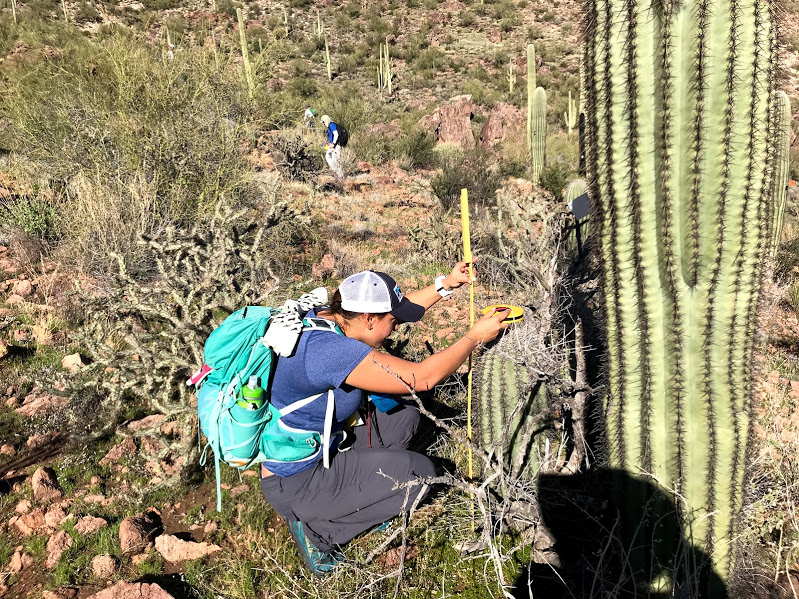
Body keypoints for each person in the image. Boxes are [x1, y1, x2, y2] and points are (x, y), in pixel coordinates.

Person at [260, 263, 510, 576]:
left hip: (319, 449)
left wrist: (446, 284)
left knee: (403, 412)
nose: (394, 328)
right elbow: (424, 377)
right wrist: (474, 337)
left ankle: (363, 485)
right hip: (298, 482)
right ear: (367, 318)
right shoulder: (331, 351)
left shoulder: (327, 316)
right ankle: (319, 534)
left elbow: (396, 312)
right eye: (391, 322)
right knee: (420, 475)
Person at [320, 114, 344, 179]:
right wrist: (327, 145)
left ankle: (340, 177)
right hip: (332, 145)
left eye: (323, 122)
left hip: (336, 145)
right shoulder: (329, 127)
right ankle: (335, 172)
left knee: (336, 160)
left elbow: (336, 134)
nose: (323, 124)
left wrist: (333, 143)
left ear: (326, 120)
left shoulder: (332, 125)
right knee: (328, 156)